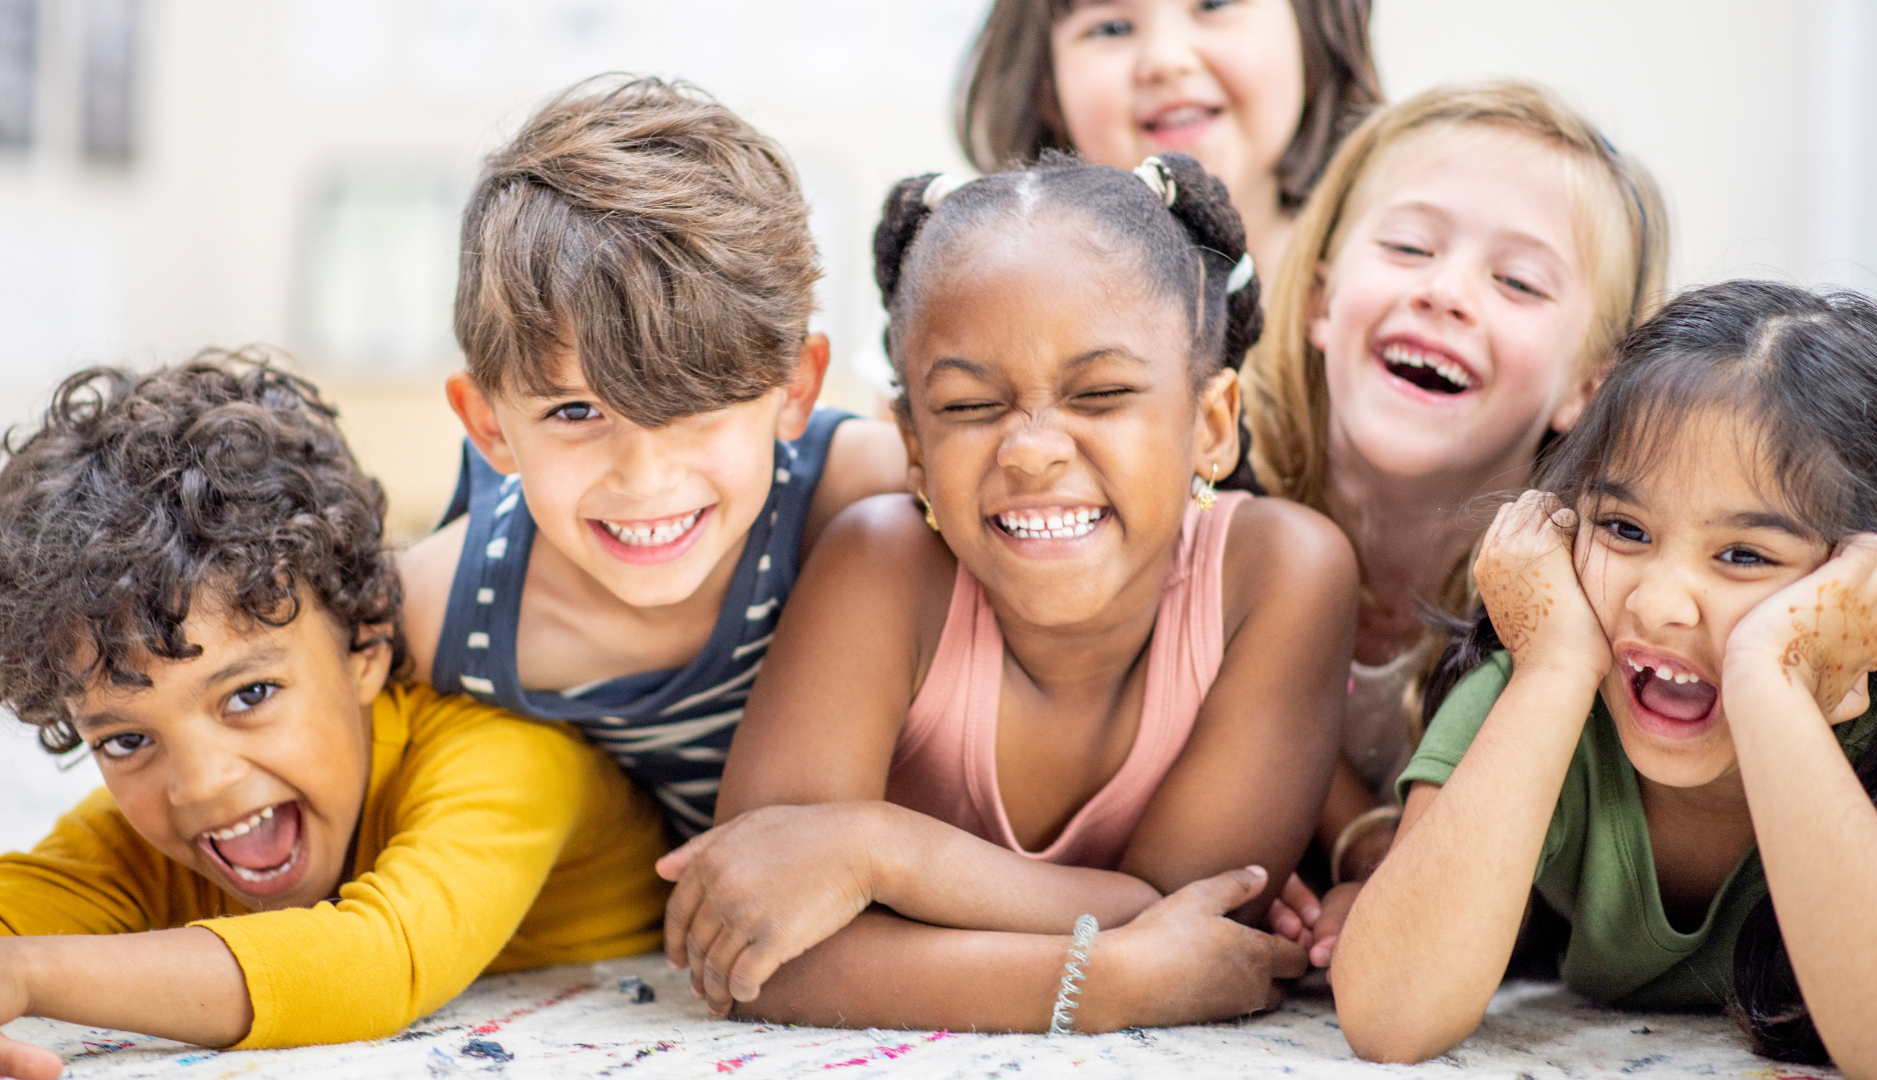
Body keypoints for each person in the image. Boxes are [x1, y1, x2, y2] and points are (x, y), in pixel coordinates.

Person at [655, 152, 1357, 1032]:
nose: (1030, 449)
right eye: (969, 407)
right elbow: (752, 939)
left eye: (1100, 394)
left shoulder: (1281, 575)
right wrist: (1102, 984)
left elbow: (1200, 917)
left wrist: (884, 855)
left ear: (1211, 426)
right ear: (911, 445)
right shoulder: (881, 568)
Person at [0, 358, 669, 1080]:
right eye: (128, 740)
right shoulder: (142, 844)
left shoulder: (508, 754)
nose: (200, 785)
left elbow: (375, 962)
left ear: (366, 644)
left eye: (249, 695)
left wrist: (33, 973)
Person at [1332, 281, 1877, 1076]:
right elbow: (1388, 1016)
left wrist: (1770, 690)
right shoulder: (1541, 686)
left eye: (1745, 556)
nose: (1660, 602)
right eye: (1624, 529)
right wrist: (1557, 670)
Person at [398, 76, 906, 841]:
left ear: (796, 388)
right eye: (576, 411)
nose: (644, 477)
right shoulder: (446, 612)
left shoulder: (865, 494)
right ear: (489, 424)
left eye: (697, 406)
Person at [1241, 82, 1670, 955]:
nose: (1445, 292)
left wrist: (1389, 872)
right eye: (1407, 246)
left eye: (1516, 281)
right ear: (1321, 300)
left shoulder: (1582, 594)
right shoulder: (1215, 486)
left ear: (1589, 384)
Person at [956, 0, 1378, 281]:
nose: (1165, 60)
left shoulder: (1383, 286)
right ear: (1045, 89)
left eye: (1214, 3)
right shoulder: (1008, 305)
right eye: (1112, 28)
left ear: (1312, 36)